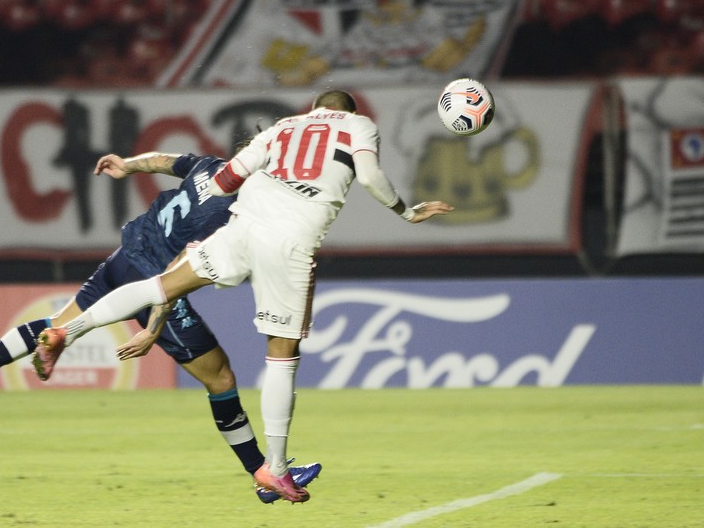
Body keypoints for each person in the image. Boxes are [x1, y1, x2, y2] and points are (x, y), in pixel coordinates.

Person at [32, 90, 454, 503]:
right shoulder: (359, 125)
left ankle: (66, 331)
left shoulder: (283, 126)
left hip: (243, 223)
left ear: (312, 110)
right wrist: (408, 212)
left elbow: (224, 181)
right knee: (282, 354)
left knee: (161, 287)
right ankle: (274, 466)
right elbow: (368, 176)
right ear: (347, 111)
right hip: (290, 239)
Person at [0, 150, 321, 504]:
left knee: (59, 324)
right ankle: (263, 473)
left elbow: (163, 161)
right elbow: (175, 273)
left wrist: (126, 164)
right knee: (219, 378)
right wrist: (154, 327)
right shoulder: (233, 213)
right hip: (154, 275)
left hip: (126, 254)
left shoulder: (210, 166)